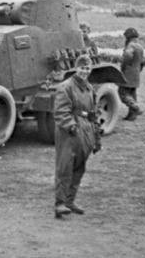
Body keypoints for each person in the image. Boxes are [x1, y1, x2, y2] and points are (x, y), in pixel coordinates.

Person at [53, 54, 100, 218]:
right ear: (76, 68)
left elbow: (94, 114)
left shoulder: (90, 89)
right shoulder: (65, 87)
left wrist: (96, 138)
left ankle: (70, 201)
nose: (84, 71)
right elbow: (61, 112)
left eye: (87, 68)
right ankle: (60, 203)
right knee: (65, 167)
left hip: (86, 131)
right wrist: (72, 127)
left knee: (79, 167)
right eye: (81, 68)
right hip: (69, 133)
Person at [119, 27, 144, 121]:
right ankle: (132, 115)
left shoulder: (131, 45)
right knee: (132, 94)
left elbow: (128, 55)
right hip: (136, 73)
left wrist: (124, 65)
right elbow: (142, 62)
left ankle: (136, 107)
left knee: (122, 93)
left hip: (128, 72)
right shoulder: (140, 47)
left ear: (128, 37)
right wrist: (138, 70)